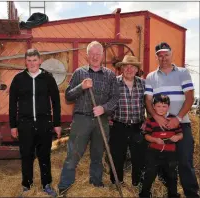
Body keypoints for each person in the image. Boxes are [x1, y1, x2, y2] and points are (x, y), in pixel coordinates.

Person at [57, 41, 119, 196]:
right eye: (92, 54)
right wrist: (81, 87)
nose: (95, 57)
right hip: (81, 120)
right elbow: (68, 96)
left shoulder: (110, 75)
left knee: (98, 155)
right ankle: (65, 187)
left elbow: (115, 99)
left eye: (98, 54)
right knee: (73, 154)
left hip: (101, 120)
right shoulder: (79, 73)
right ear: (87, 55)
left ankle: (96, 184)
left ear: (102, 55)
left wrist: (103, 108)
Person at [144, 42, 199, 197]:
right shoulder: (151, 77)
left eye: (166, 55)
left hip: (182, 124)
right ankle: (170, 193)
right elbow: (148, 100)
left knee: (185, 162)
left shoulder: (183, 73)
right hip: (159, 127)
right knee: (163, 163)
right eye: (160, 56)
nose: (163, 58)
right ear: (157, 57)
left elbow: (190, 97)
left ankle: (192, 194)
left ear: (171, 54)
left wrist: (178, 118)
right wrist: (156, 117)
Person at [9, 48, 62, 197]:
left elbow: (56, 102)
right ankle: (27, 186)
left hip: (44, 123)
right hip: (25, 124)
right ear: (25, 62)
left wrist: (57, 123)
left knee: (44, 155)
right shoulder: (18, 79)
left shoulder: (48, 78)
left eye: (34, 60)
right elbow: (12, 104)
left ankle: (46, 185)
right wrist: (13, 125)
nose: (32, 63)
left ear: (40, 61)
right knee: (26, 155)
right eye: (29, 60)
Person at [109, 55, 146, 186]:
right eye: (126, 66)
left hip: (138, 126)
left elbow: (149, 104)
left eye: (132, 67)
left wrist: (147, 121)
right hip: (119, 125)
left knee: (139, 157)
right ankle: (116, 183)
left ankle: (137, 183)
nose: (129, 69)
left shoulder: (143, 84)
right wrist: (108, 117)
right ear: (122, 68)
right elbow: (107, 102)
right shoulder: (114, 82)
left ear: (137, 69)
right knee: (117, 156)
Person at [139, 94, 183, 198]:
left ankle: (173, 194)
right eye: (158, 106)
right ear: (153, 106)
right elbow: (146, 136)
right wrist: (155, 140)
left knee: (172, 175)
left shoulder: (173, 119)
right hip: (154, 152)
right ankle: (144, 194)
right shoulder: (150, 121)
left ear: (169, 106)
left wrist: (177, 137)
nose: (161, 109)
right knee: (150, 173)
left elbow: (180, 133)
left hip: (170, 153)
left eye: (164, 106)